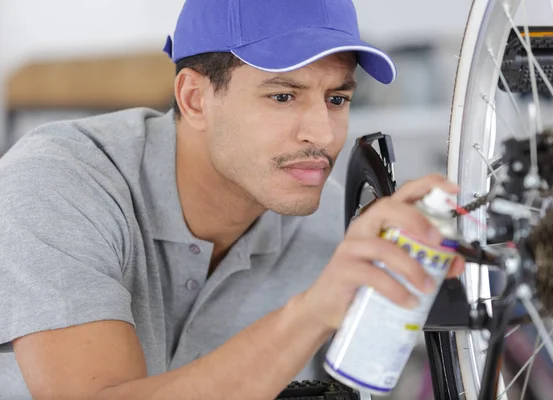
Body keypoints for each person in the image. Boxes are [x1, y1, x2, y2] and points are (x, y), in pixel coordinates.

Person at [0, 0, 465, 399]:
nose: (323, 135)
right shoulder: (59, 183)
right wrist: (315, 309)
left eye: (337, 99)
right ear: (195, 98)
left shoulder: (332, 221)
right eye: (283, 96)